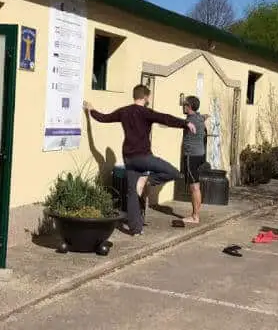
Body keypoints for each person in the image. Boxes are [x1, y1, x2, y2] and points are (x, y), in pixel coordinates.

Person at [84, 84, 196, 235]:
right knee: (174, 172)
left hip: (129, 159)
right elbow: (164, 118)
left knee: (131, 193)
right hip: (143, 157)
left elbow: (103, 118)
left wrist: (91, 110)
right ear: (145, 97)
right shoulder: (145, 112)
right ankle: (147, 180)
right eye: (148, 97)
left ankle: (136, 229)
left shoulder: (124, 111)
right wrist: (185, 123)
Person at [180, 96, 207, 224]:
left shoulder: (191, 121)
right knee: (196, 185)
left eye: (184, 104)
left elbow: (178, 123)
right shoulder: (199, 118)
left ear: (189, 106)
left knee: (194, 187)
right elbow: (203, 116)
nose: (182, 106)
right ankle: (195, 214)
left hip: (191, 156)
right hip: (199, 155)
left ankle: (195, 216)